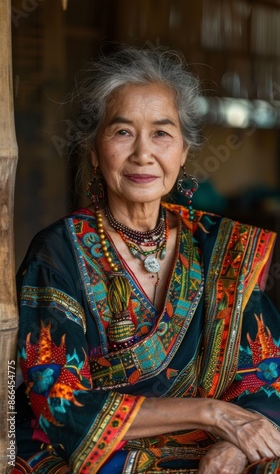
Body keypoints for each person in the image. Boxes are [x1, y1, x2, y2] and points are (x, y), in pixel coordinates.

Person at [14, 46, 280, 474]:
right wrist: (211, 413)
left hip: (211, 445)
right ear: (95, 151)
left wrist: (235, 446)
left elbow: (268, 374)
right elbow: (59, 404)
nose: (143, 153)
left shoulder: (218, 246)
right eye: (122, 132)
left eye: (161, 133)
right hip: (97, 450)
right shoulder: (58, 253)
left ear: (184, 151)